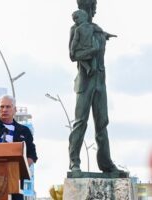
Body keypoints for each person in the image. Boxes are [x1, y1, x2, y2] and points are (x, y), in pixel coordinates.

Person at [68, 9, 121, 173]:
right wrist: (92, 51)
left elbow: (101, 40)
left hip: (100, 80)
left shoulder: (97, 30)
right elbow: (72, 54)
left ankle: (106, 163)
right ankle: (74, 162)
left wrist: (104, 37)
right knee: (80, 122)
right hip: (85, 81)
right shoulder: (75, 29)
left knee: (102, 123)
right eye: (93, 5)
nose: (95, 10)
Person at [70, 9, 99, 76]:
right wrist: (106, 34)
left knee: (75, 56)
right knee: (92, 56)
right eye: (74, 20)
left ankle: (88, 67)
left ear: (84, 17)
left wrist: (72, 50)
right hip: (91, 49)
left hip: (83, 50)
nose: (75, 21)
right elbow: (100, 31)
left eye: (76, 18)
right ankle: (92, 67)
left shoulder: (78, 29)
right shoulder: (92, 27)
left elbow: (75, 40)